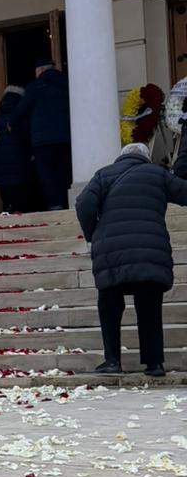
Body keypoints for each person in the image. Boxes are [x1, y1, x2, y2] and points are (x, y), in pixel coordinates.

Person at [75, 138, 187, 377]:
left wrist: (92, 233)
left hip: (111, 250)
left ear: (121, 156)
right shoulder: (157, 173)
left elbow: (84, 203)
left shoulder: (103, 174)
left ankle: (113, 361)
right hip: (150, 249)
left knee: (110, 305)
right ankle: (154, 364)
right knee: (149, 306)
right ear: (146, 157)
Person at [12, 59, 71, 210]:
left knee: (47, 175)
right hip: (64, 138)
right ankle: (67, 203)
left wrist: (11, 123)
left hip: (42, 141)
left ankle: (55, 205)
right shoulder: (67, 83)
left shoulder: (35, 87)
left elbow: (20, 111)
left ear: (40, 70)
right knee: (63, 172)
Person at [0, 84, 30, 213]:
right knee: (19, 190)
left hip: (1, 153)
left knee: (6, 191)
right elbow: (24, 134)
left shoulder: (1, 112)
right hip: (18, 153)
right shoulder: (21, 112)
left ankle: (8, 211)